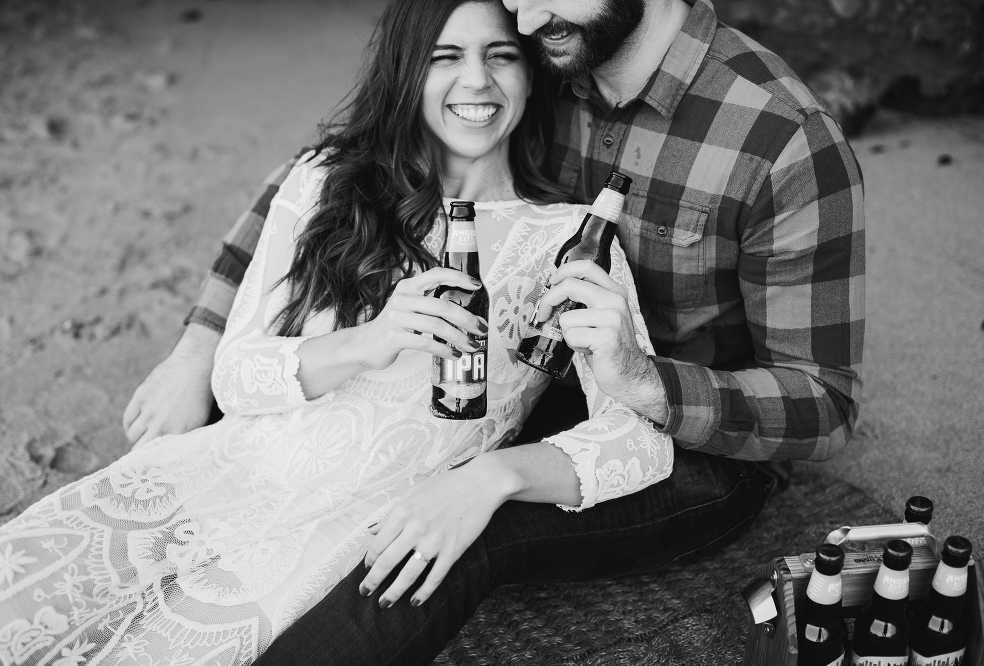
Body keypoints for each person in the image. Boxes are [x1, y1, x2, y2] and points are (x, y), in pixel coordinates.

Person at [138, 0, 865, 663]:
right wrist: (198, 345)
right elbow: (322, 174)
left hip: (691, 439)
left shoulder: (782, 139)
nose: (520, 14)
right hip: (532, 376)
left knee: (465, 528)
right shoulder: (546, 50)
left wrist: (642, 380)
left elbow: (824, 403)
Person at [0, 2, 674, 664]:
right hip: (210, 476)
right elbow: (236, 374)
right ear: (407, 72)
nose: (476, 80)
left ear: (530, 77)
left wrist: (492, 477)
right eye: (445, 57)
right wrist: (367, 342)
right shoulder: (326, 182)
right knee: (3, 612)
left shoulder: (568, 241)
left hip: (329, 536)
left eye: (501, 56)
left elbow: (640, 440)